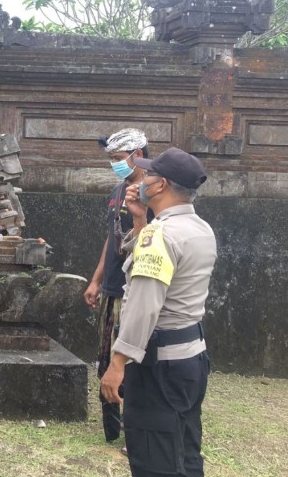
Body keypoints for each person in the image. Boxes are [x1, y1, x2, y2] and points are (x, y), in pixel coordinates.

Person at [100, 147, 216, 477]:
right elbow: (158, 261)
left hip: (159, 366)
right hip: (191, 358)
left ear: (161, 185)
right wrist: (140, 219)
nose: (142, 180)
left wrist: (118, 361)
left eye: (148, 175)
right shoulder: (199, 229)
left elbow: (144, 303)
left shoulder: (161, 235)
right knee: (184, 448)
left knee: (155, 460)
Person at [84, 128, 151, 449]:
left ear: (138, 154)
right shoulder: (117, 189)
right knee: (108, 355)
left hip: (137, 287)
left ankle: (137, 429)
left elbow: (154, 241)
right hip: (112, 286)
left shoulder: (153, 192)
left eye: (117, 158)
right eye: (110, 159)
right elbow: (111, 237)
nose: (114, 165)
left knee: (132, 357)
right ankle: (113, 422)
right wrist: (96, 279)